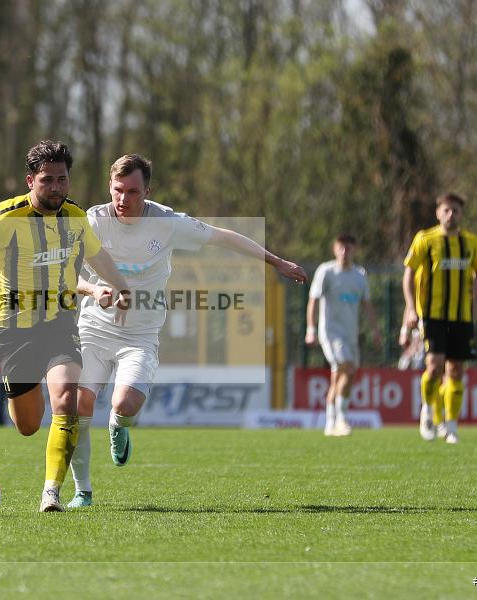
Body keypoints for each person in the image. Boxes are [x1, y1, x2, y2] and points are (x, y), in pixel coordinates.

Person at [66, 154, 307, 508]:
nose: (123, 199)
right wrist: (95, 290)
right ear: (109, 187)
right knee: (77, 406)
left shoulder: (167, 222)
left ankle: (119, 426)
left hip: (140, 335)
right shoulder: (93, 221)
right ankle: (82, 491)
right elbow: (65, 273)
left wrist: (277, 262)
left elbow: (223, 237)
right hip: (94, 328)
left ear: (147, 191)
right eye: (118, 190)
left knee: (125, 404)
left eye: (132, 192)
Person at [0, 140, 130, 512]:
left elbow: (98, 256)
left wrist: (122, 288)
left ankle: (51, 491)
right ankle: (32, 425)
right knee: (28, 425)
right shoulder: (6, 218)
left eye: (62, 180)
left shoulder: (76, 218)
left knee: (67, 398)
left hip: (60, 323)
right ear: (30, 180)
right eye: (48, 180)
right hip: (13, 331)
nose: (56, 187)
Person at [400, 192, 477, 444]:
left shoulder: (471, 242)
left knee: (456, 371)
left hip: (461, 317)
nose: (451, 215)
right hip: (432, 315)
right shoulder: (425, 239)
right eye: (446, 210)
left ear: (461, 214)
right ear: (438, 213)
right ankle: (427, 410)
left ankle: (450, 426)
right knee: (435, 366)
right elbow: (409, 274)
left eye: (456, 211)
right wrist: (410, 308)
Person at [305, 234, 382, 437]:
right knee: (347, 366)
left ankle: (330, 423)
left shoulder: (359, 275)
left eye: (349, 248)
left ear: (355, 250)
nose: (345, 252)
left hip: (350, 335)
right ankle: (342, 419)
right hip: (330, 333)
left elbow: (367, 305)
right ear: (335, 249)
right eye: (341, 248)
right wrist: (310, 329)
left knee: (340, 375)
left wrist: (375, 330)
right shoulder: (326, 271)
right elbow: (313, 300)